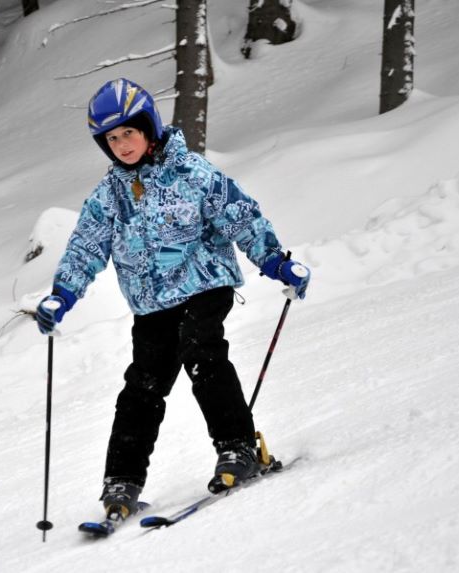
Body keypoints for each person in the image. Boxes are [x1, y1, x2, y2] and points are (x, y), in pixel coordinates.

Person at [35, 78, 311, 521]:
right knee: (143, 384)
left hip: (205, 283)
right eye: (112, 138)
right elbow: (85, 246)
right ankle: (121, 480)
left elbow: (241, 215)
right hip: (151, 304)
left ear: (149, 128)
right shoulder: (109, 197)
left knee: (200, 349)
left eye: (129, 132)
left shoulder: (193, 174)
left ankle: (238, 448)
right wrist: (61, 296)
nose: (122, 144)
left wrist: (276, 261)